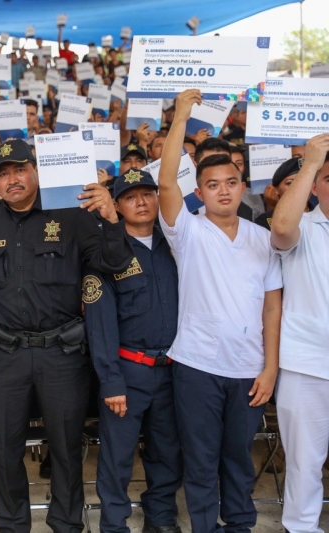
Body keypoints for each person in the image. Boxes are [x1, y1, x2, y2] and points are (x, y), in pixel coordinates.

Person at [0, 139, 134, 532]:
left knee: (64, 451)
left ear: (36, 171)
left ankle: (66, 525)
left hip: (62, 353)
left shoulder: (71, 213)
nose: (13, 180)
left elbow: (114, 261)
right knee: (5, 453)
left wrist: (111, 217)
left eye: (20, 170)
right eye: (3, 173)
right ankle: (11, 527)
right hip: (5, 355)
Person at [157, 89, 282, 533]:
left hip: (249, 369)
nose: (223, 191)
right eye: (212, 185)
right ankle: (204, 527)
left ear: (242, 185)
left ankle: (241, 524)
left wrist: (270, 368)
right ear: (200, 192)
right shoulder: (186, 231)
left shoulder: (262, 238)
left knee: (238, 457)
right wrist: (182, 117)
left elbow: (272, 306)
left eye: (230, 182)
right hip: (196, 365)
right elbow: (166, 182)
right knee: (201, 459)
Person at [83, 169, 183, 533]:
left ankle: (161, 519)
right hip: (128, 372)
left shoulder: (176, 245)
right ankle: (114, 525)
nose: (141, 202)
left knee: (167, 453)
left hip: (173, 370)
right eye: (130, 197)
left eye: (147, 194)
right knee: (117, 459)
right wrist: (111, 381)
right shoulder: (107, 252)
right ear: (117, 205)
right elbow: (101, 325)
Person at [269, 133, 329, 533]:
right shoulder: (302, 226)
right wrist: (309, 162)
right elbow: (280, 229)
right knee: (305, 462)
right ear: (316, 186)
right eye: (328, 176)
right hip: (307, 364)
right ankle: (302, 528)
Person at [255, 158, 311, 230]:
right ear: (276, 189)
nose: (298, 188)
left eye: (304, 181)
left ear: (313, 186)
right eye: (289, 183)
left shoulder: (324, 215)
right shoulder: (264, 221)